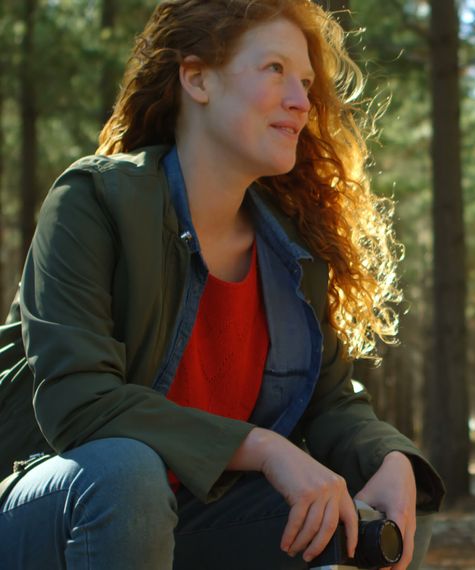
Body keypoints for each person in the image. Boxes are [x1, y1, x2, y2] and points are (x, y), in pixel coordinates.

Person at [0, 1, 444, 568]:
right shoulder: (94, 202)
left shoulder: (292, 258)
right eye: (275, 69)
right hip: (49, 511)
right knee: (127, 474)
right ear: (197, 78)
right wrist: (262, 448)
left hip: (192, 520)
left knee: (388, 510)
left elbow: (332, 403)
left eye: (306, 82)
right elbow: (77, 402)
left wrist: (389, 458)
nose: (301, 102)